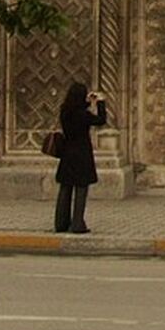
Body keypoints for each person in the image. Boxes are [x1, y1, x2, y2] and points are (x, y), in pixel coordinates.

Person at [53, 81, 107, 234]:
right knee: (81, 189)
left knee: (65, 188)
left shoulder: (65, 111)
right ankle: (77, 223)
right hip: (81, 154)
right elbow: (101, 120)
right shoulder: (84, 115)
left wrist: (87, 103)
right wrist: (100, 103)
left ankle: (61, 223)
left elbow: (76, 108)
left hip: (67, 154)